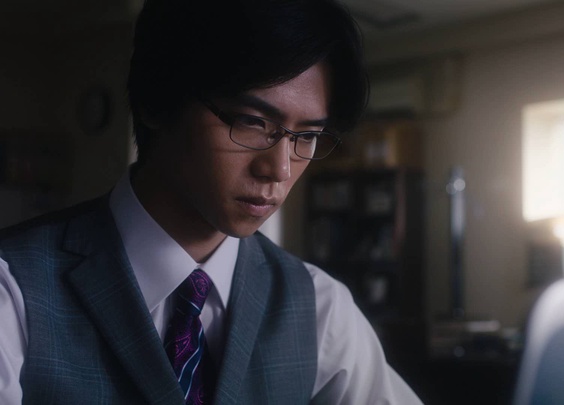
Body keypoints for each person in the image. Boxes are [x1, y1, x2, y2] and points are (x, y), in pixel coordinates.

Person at [0, 0, 423, 403]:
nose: (279, 169)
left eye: (307, 136)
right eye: (252, 122)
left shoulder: (319, 308)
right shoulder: (16, 288)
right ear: (155, 101)